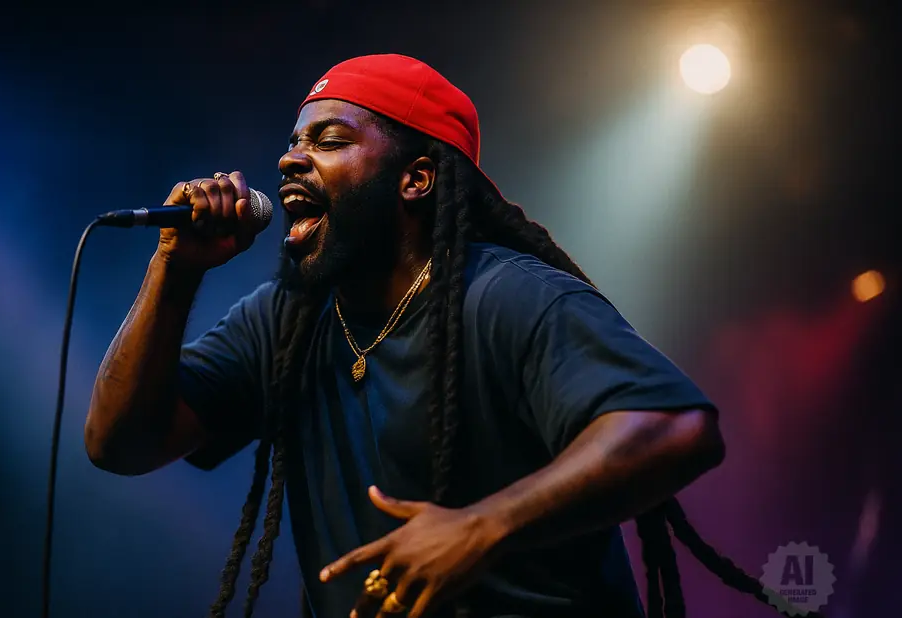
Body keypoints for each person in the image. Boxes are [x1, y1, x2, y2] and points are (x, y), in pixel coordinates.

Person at [83, 54, 789, 618]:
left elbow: (673, 426)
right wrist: (174, 268)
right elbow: (120, 444)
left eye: (329, 140)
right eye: (293, 142)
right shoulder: (285, 321)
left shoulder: (507, 295)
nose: (290, 160)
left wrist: (480, 527)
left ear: (416, 179)